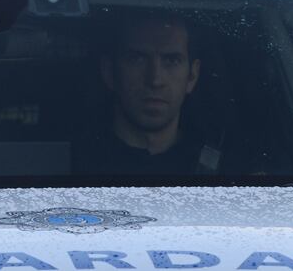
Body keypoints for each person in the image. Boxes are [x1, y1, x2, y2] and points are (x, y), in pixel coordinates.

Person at [75, 15, 209, 175]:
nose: (155, 80)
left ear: (192, 75)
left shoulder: (222, 169)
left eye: (172, 60)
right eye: (137, 59)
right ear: (109, 72)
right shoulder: (70, 165)